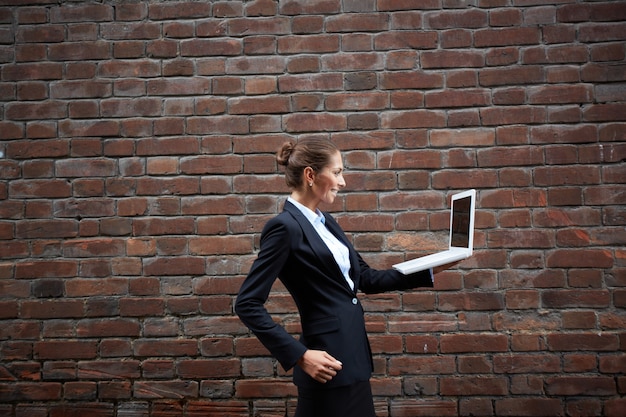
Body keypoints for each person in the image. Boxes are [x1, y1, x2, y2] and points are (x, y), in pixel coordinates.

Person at [235, 138, 447, 417]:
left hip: (353, 359)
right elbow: (247, 303)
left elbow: (366, 279)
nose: (342, 181)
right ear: (310, 175)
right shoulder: (284, 228)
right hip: (325, 365)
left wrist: (432, 268)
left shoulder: (327, 223)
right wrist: (300, 355)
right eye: (336, 173)